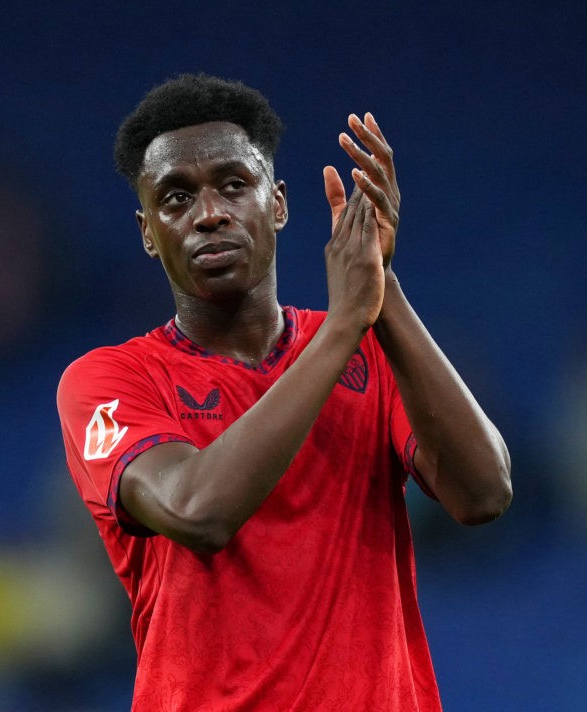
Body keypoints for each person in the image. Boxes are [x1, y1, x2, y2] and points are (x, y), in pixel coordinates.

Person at [57, 73, 512, 711]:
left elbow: (485, 493)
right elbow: (197, 512)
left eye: (234, 185)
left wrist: (382, 287)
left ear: (277, 203)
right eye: (176, 197)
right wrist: (347, 326)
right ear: (146, 231)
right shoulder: (109, 381)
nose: (209, 213)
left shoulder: (371, 348)